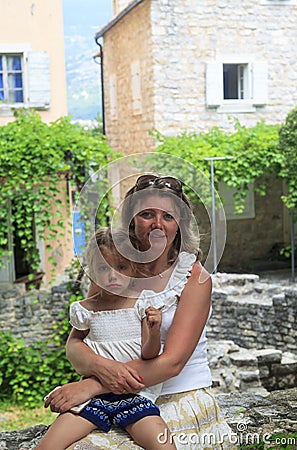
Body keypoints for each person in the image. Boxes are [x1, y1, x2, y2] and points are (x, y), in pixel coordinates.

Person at [45, 174, 234, 449]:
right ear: (131, 220)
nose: (158, 224)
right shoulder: (113, 269)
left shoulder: (195, 278)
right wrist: (101, 368)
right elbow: (75, 343)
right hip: (112, 399)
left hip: (175, 397)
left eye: (168, 216)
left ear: (179, 225)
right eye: (147, 214)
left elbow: (172, 363)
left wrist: (93, 385)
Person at [36, 227, 176, 450]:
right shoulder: (86, 310)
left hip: (134, 394)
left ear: (132, 268)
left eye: (121, 267)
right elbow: (75, 344)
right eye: (103, 268)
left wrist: (155, 330)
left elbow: (149, 355)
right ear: (91, 270)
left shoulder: (140, 303)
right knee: (47, 446)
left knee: (163, 444)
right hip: (91, 397)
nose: (112, 275)